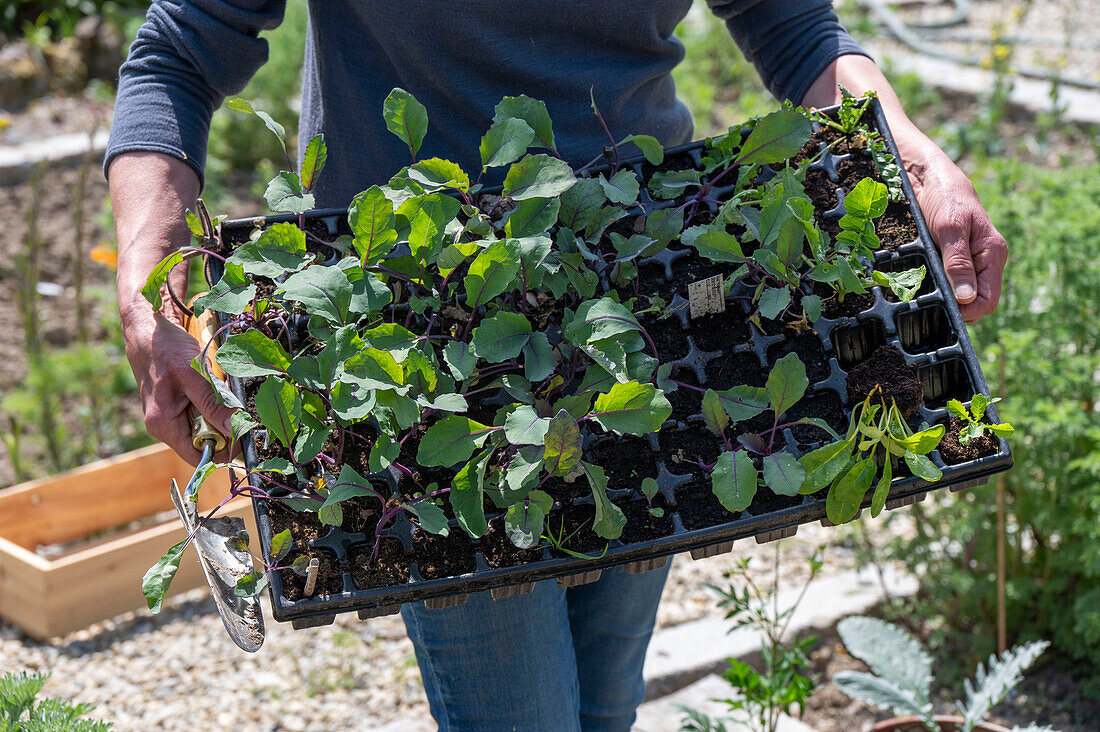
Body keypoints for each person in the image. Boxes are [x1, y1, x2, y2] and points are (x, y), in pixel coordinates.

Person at [107, 2, 1007, 730]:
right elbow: (176, 56)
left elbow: (792, 24)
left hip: (640, 290)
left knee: (605, 695)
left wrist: (905, 141)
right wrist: (150, 280)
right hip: (414, 330)